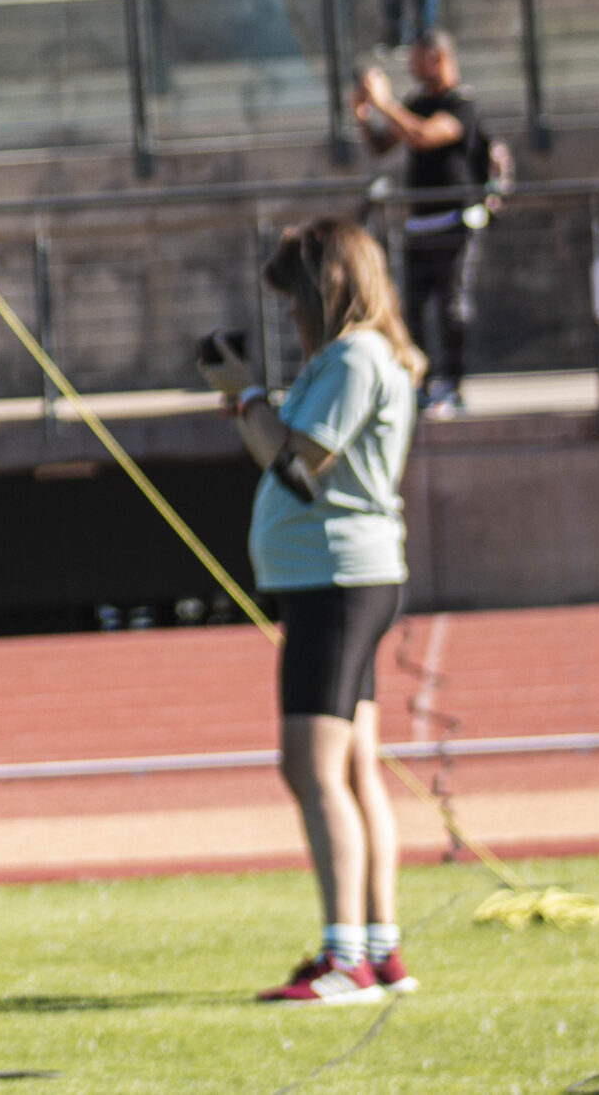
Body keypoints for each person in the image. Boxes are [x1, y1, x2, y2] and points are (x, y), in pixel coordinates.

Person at [199, 217, 424, 1007]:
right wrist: (255, 407)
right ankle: (378, 947)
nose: (290, 315)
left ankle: (347, 958)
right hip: (345, 575)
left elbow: (298, 466)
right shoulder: (366, 355)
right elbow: (294, 453)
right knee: (356, 769)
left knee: (312, 766)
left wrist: (246, 394)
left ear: (324, 288)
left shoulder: (354, 355)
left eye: (294, 297)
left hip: (336, 580)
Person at [356, 31, 489, 418]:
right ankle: (420, 383)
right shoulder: (417, 102)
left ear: (438, 58)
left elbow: (422, 135)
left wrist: (384, 102)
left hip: (454, 222)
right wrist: (365, 113)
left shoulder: (462, 104)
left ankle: (453, 385)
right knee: (411, 308)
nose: (412, 68)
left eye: (417, 58)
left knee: (452, 306)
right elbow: (384, 145)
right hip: (420, 225)